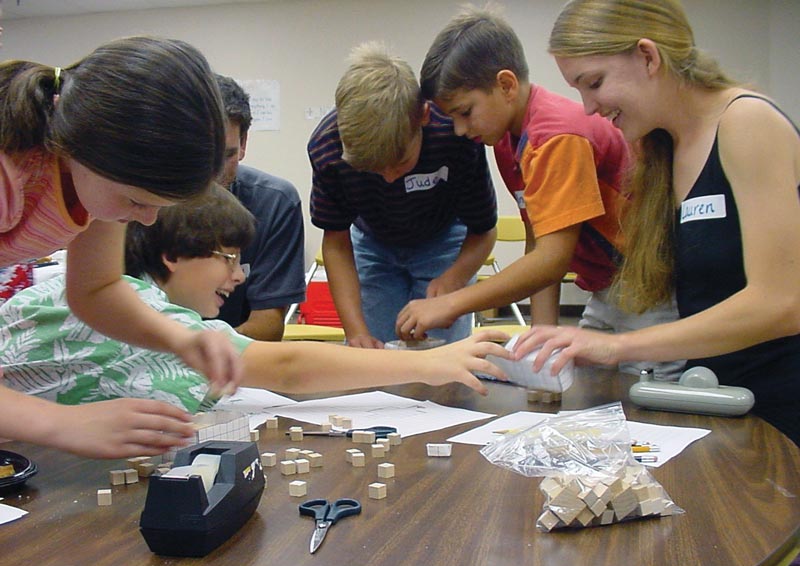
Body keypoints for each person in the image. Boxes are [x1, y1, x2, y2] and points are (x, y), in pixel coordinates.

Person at [0, 185, 512, 444]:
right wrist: (434, 362)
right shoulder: (136, 305)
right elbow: (285, 366)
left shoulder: (87, 291)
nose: (240, 275)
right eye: (228, 257)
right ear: (171, 254)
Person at [513, 0, 800, 446]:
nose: (589, 108)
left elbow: (782, 304)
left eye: (594, 83)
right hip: (726, 402)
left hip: (783, 411)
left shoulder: (746, 123)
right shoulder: (661, 148)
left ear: (648, 56)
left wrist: (617, 347)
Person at [397, 5, 682, 379]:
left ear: (506, 85)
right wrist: (541, 341)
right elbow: (540, 241)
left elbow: (553, 258)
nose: (461, 130)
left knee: (648, 399)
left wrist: (453, 303)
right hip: (604, 288)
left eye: (465, 112)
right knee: (579, 385)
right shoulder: (506, 140)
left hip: (648, 288)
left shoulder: (555, 136)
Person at [0, 36, 241, 458]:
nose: (147, 220)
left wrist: (180, 339)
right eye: (138, 201)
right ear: (80, 148)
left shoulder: (92, 173)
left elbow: (96, 289)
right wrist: (60, 421)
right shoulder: (10, 177)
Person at [307, 41, 498, 348]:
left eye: (400, 162)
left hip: (446, 243)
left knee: (443, 354)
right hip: (372, 244)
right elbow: (337, 244)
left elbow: (484, 231)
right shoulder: (328, 150)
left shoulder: (455, 134)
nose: (389, 178)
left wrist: (452, 281)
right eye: (372, 170)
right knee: (374, 354)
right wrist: (356, 332)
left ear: (423, 115)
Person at [214, 74, 306, 341]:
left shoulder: (275, 203)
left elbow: (268, 326)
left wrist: (198, 348)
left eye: (226, 155)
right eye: (202, 154)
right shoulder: (145, 206)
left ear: (243, 145)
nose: (212, 172)